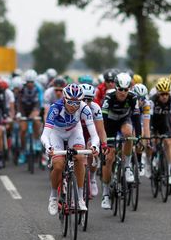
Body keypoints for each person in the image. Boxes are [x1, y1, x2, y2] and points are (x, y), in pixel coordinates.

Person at [40, 84, 100, 215]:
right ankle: (54, 196)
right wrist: (48, 146)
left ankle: (79, 198)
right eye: (70, 102)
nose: (73, 105)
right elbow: (45, 135)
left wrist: (95, 146)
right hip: (56, 134)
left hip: (74, 132)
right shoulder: (55, 108)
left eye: (77, 102)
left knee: (79, 157)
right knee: (58, 165)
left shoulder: (84, 108)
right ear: (64, 99)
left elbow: (95, 135)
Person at [100, 72, 140, 210]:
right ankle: (105, 194)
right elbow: (103, 120)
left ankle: (127, 167)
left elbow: (136, 118)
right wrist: (104, 140)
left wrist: (139, 137)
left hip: (124, 120)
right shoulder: (109, 97)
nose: (123, 92)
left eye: (126, 89)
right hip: (109, 123)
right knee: (109, 158)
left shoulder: (133, 97)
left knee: (129, 134)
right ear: (116, 88)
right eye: (120, 89)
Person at [149, 77, 171, 185]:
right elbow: (150, 118)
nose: (165, 97)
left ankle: (170, 172)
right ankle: (153, 159)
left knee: (169, 142)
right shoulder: (152, 100)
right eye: (162, 94)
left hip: (164, 123)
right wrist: (151, 132)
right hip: (153, 123)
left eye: (166, 94)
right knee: (154, 141)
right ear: (158, 93)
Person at [81, 83, 106, 198]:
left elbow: (100, 130)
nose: (86, 102)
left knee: (93, 151)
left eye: (89, 99)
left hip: (91, 133)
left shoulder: (95, 108)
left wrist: (104, 144)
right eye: (83, 99)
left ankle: (92, 178)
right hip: (77, 133)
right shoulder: (75, 107)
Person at [16, 69, 43, 164]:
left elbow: (40, 102)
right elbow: (18, 102)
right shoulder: (21, 88)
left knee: (37, 122)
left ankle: (36, 141)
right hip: (24, 110)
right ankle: (22, 151)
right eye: (28, 82)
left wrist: (36, 112)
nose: (30, 84)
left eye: (32, 82)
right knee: (23, 129)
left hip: (34, 108)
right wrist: (19, 113)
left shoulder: (38, 88)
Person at [131, 82, 152, 177]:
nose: (140, 101)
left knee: (142, 135)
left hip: (139, 119)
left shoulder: (146, 104)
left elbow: (146, 124)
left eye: (142, 98)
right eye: (138, 98)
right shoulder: (129, 100)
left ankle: (139, 160)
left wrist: (148, 142)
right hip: (128, 119)